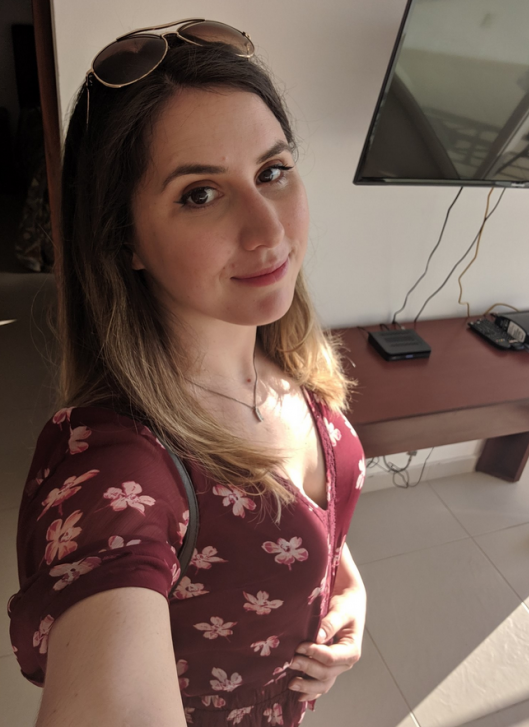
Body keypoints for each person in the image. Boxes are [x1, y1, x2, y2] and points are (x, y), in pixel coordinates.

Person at [8, 18, 367, 727]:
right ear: (124, 239)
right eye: (200, 193)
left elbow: (322, 526)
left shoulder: (292, 361)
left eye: (272, 172)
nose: (269, 230)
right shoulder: (120, 469)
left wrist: (347, 590)